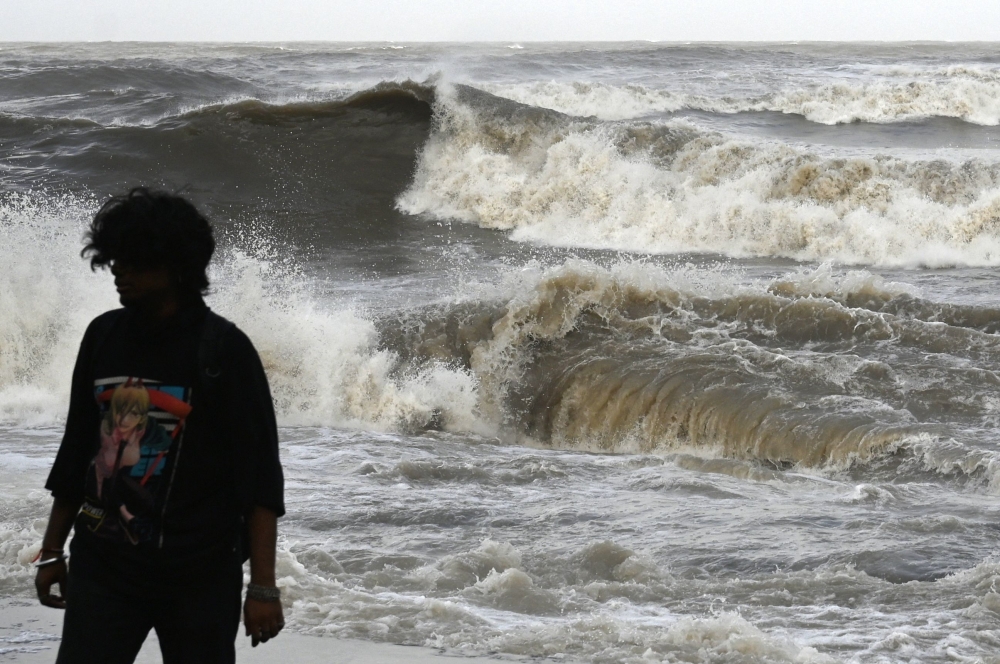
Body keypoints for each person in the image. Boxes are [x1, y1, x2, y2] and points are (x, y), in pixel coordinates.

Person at [35, 188, 286, 663]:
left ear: (174, 265)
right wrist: (53, 550)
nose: (118, 269)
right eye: (114, 257)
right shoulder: (103, 336)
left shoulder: (224, 351)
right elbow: (75, 453)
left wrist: (264, 589)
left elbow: (260, 478)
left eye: (133, 258)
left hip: (199, 573)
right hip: (103, 566)